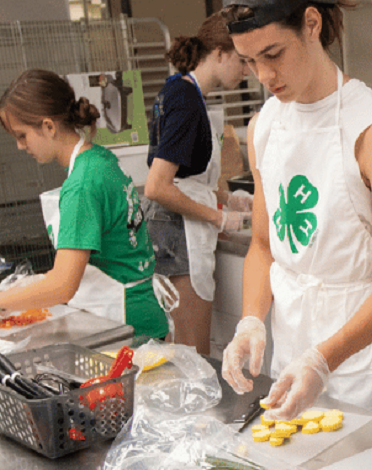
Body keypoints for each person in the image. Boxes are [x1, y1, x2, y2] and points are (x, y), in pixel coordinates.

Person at [216, 0, 372, 419]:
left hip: (356, 354)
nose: (264, 76)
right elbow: (262, 245)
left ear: (311, 24)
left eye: (273, 55)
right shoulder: (264, 126)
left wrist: (323, 359)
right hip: (289, 344)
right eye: (250, 61)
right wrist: (251, 321)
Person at [0, 69, 166, 340]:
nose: (19, 146)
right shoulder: (98, 159)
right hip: (140, 306)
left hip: (122, 319)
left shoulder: (82, 184)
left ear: (48, 127)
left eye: (22, 135)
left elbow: (62, 286)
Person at [146, 13, 255, 355]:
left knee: (184, 347)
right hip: (179, 234)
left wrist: (224, 198)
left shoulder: (180, 90)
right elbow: (158, 186)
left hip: (175, 229)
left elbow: (183, 176)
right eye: (243, 60)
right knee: (192, 355)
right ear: (220, 53)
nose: (247, 71)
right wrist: (217, 217)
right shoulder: (185, 100)